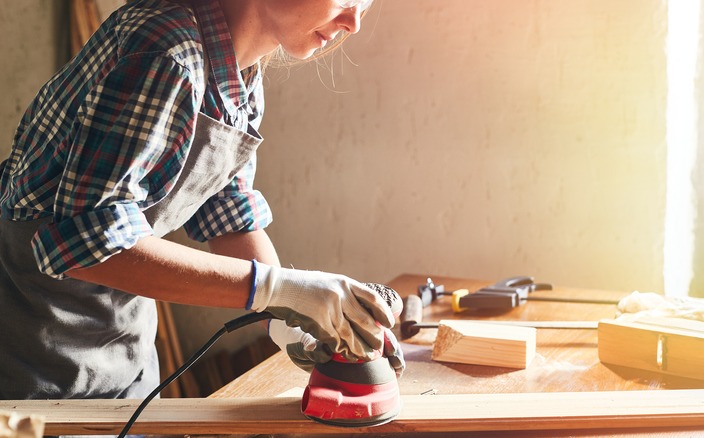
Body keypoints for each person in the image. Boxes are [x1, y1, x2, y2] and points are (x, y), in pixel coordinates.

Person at [0, 0, 403, 400]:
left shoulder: (240, 72)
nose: (354, 24)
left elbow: (225, 209)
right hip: (29, 343)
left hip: (122, 342)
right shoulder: (166, 51)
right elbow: (89, 246)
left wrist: (286, 319)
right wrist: (280, 289)